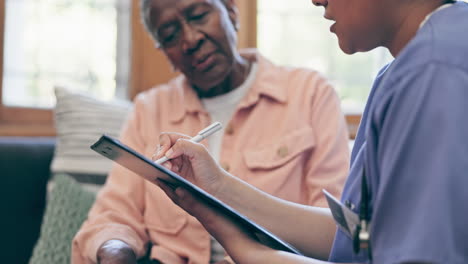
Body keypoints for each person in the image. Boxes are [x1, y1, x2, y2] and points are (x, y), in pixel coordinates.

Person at [152, 0, 468, 263]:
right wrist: (218, 188)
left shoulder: (434, 72)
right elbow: (358, 235)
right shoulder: (404, 71)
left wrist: (247, 250)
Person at [71, 0, 351, 263]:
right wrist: (115, 252)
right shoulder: (150, 109)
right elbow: (114, 214)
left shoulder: (310, 94)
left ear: (231, 10)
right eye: (169, 35)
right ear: (164, 52)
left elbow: (335, 226)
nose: (190, 40)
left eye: (198, 16)